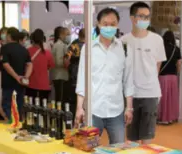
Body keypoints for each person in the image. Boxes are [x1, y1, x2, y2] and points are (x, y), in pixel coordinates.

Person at [74, 8, 134, 144]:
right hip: (93, 110)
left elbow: (128, 80)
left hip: (116, 111)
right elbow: (82, 79)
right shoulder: (88, 48)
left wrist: (129, 107)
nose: (109, 27)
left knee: (118, 150)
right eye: (105, 24)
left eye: (113, 24)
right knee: (89, 150)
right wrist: (79, 107)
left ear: (117, 25)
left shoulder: (124, 48)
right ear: (98, 24)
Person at [121, 2, 166, 144]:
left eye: (147, 17)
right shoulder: (123, 41)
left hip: (150, 94)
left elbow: (157, 66)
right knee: (132, 139)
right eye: (141, 16)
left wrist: (147, 79)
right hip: (131, 96)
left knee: (147, 139)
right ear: (132, 18)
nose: (145, 20)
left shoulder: (157, 40)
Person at [0, 27, 33, 120]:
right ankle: (18, 124)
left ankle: (12, 126)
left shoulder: (5, 48)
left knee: (8, 105)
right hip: (21, 84)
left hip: (8, 83)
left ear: (9, 36)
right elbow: (30, 64)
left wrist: (16, 77)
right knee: (19, 105)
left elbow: (6, 64)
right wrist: (25, 77)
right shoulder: (24, 49)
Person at [158, 31, 182, 124]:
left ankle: (163, 118)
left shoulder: (161, 49)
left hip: (163, 76)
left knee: (163, 98)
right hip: (173, 77)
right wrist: (177, 73)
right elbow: (179, 63)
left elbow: (158, 63)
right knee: (171, 98)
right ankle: (171, 118)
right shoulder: (177, 49)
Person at [26, 29, 55, 102]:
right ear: (43, 39)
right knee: (43, 107)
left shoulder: (27, 51)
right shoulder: (47, 53)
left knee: (30, 106)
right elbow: (51, 66)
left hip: (30, 84)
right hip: (44, 85)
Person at [64, 28, 85, 118]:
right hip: (86, 75)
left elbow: (65, 59)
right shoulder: (90, 46)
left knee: (74, 98)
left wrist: (69, 67)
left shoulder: (73, 45)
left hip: (74, 75)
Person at [51, 26, 71, 103]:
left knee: (59, 97)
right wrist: (69, 63)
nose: (68, 36)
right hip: (60, 75)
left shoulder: (61, 44)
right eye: (67, 34)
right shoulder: (60, 45)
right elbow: (59, 62)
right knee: (60, 99)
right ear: (60, 35)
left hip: (59, 75)